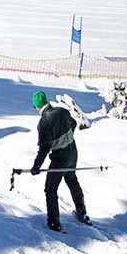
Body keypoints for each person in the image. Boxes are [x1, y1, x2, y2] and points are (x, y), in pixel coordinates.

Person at [30, 89, 89, 232]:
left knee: (50, 189)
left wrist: (36, 166)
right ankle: (82, 213)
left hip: (60, 158)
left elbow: (44, 149)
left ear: (37, 106)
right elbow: (74, 124)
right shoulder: (62, 111)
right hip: (73, 152)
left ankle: (54, 223)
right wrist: (66, 138)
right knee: (72, 179)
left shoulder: (43, 123)